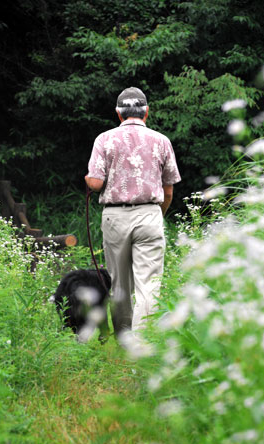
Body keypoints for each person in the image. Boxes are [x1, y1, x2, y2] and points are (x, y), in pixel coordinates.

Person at [85, 86, 181, 336]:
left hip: (115, 217)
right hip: (150, 214)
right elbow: (168, 191)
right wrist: (157, 213)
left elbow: (95, 184)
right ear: (146, 112)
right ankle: (144, 341)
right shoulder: (162, 141)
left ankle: (124, 339)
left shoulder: (103, 139)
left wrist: (88, 179)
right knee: (149, 284)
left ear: (119, 114)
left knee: (119, 284)